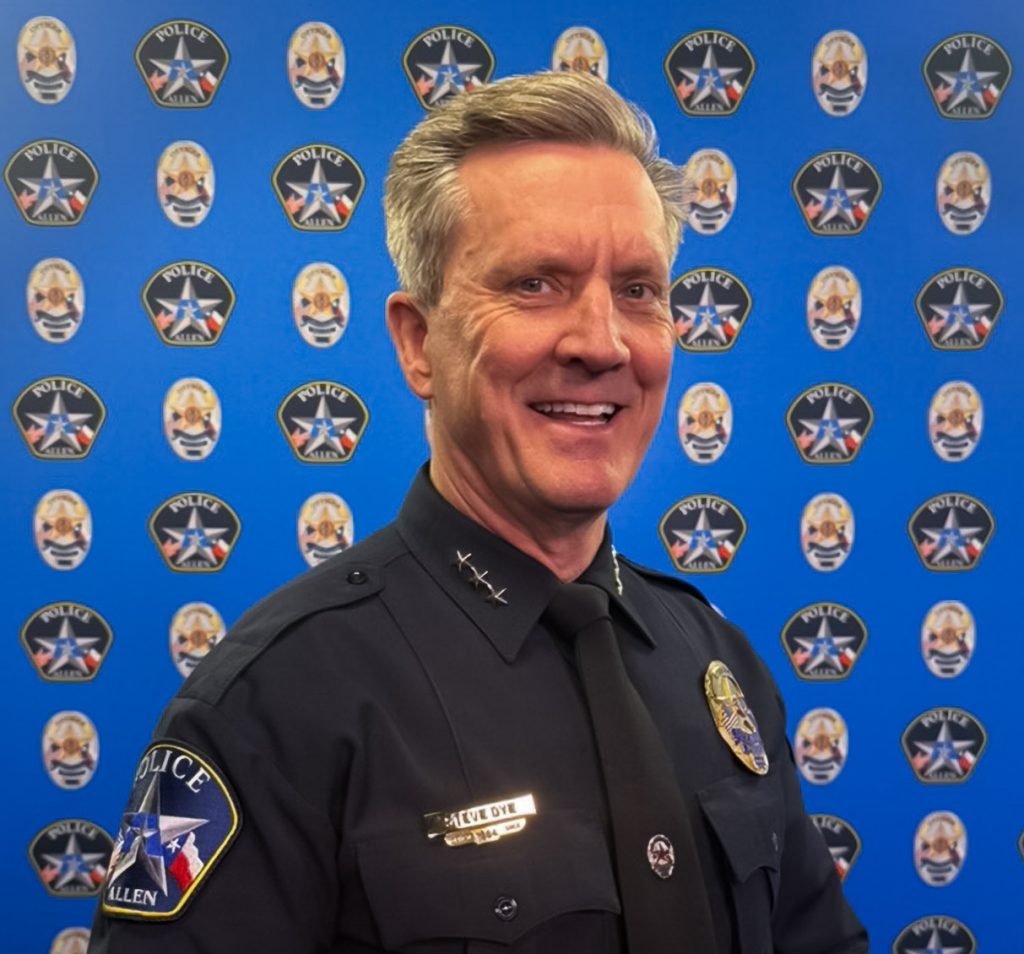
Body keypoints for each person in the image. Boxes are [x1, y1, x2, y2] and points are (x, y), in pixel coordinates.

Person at [88, 72, 868, 953]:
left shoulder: (715, 662)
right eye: (536, 283)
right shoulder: (269, 707)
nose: (602, 342)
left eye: (641, 290)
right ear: (419, 344)